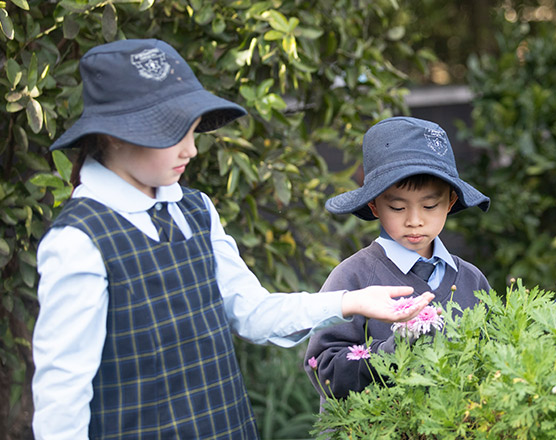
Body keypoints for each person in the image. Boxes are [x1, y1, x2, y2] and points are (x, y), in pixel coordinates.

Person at [31, 39, 434, 439]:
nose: (191, 149)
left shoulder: (195, 209)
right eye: (175, 134)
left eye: (193, 132)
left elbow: (251, 312)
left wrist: (349, 302)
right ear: (117, 135)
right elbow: (61, 396)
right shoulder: (78, 241)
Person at [303, 116, 491, 403]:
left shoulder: (471, 279)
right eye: (397, 207)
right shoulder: (352, 278)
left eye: (429, 205)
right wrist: (392, 351)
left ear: (451, 202)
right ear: (374, 205)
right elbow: (323, 370)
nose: (414, 221)